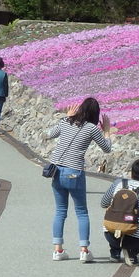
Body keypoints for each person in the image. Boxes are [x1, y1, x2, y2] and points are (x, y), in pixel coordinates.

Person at [46, 96, 113, 263]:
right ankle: (84, 250)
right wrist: (106, 131)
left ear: (80, 108)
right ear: (95, 114)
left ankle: (57, 250)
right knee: (81, 212)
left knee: (60, 211)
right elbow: (107, 149)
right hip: (74, 172)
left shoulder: (66, 122)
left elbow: (49, 134)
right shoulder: (92, 128)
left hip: (57, 171)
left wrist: (66, 117)